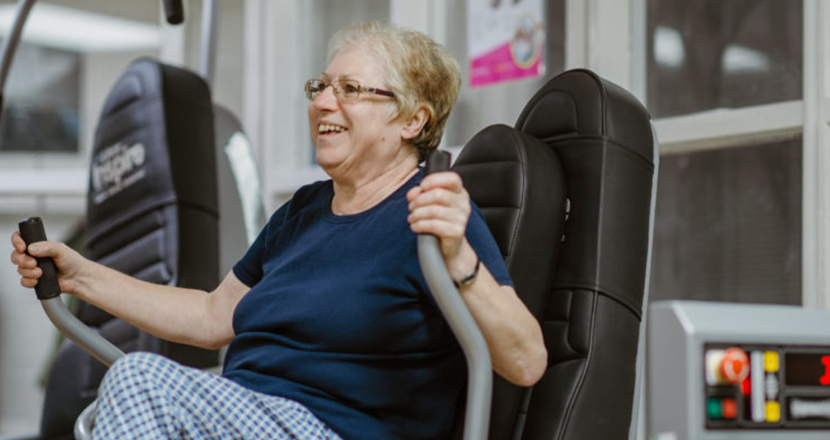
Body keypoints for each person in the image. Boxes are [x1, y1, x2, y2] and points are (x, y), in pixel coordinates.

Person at [10, 21, 546, 440]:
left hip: (339, 429)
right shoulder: (304, 211)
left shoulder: (434, 216)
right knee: (127, 395)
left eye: (351, 89)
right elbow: (209, 316)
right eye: (321, 86)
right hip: (250, 413)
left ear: (412, 121)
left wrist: (461, 264)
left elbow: (525, 362)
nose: (322, 102)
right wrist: (80, 277)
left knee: (139, 382)